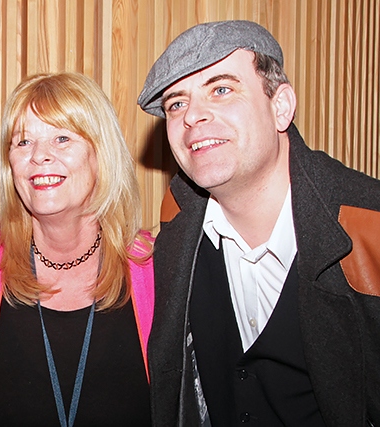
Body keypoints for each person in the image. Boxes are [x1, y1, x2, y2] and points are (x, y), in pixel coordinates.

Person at [137, 20, 380, 426]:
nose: (193, 115)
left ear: (280, 106)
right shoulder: (177, 226)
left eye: (221, 89)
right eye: (177, 103)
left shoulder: (368, 224)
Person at [0, 72, 154, 427]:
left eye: (62, 138)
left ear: (102, 154)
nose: (39, 156)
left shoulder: (157, 269)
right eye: (22, 142)